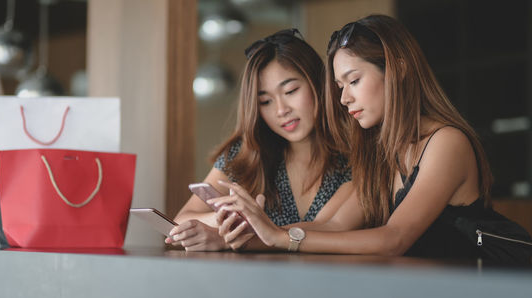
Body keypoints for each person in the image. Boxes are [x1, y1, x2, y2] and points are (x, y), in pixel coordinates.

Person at [211, 15, 532, 262]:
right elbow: (335, 225)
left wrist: (281, 238)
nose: (343, 99)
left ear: (398, 69)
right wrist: (251, 236)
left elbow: (394, 239)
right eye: (339, 87)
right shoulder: (381, 150)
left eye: (353, 81)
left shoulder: (447, 142)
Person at [167, 28, 353, 251]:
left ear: (319, 83)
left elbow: (327, 227)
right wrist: (228, 219)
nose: (281, 110)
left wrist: (237, 235)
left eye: (291, 91)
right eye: (265, 102)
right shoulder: (246, 153)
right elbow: (182, 219)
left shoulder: (354, 156)